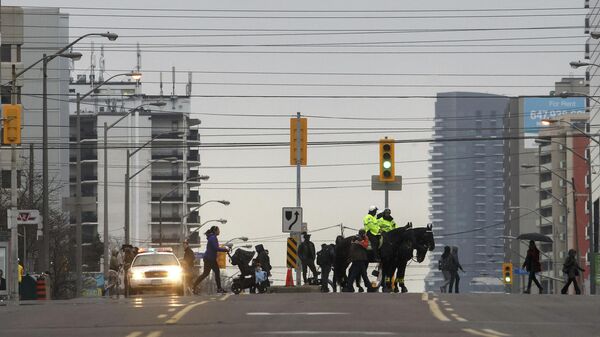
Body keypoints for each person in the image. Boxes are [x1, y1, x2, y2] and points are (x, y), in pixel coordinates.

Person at [193, 226, 229, 294]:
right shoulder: (213, 238)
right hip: (210, 259)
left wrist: (224, 249)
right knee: (216, 272)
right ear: (215, 231)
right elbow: (216, 248)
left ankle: (194, 286)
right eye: (218, 230)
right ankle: (219, 289)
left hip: (209, 258)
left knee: (206, 274)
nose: (219, 231)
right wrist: (225, 249)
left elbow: (215, 248)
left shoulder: (212, 237)